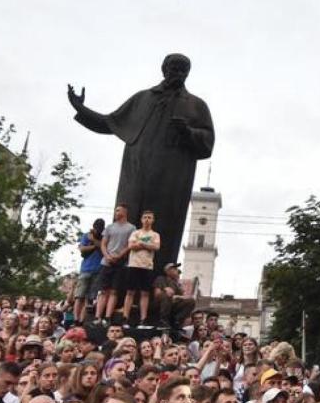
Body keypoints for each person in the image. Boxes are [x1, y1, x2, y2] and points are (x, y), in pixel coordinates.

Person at [67, 53, 215, 272]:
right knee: (127, 221)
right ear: (164, 69)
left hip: (172, 176)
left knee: (165, 226)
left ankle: (158, 278)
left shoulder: (196, 105)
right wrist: (80, 108)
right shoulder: (143, 99)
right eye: (174, 68)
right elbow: (110, 123)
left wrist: (187, 132)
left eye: (183, 70)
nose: (178, 73)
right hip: (136, 172)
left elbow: (207, 142)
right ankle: (116, 278)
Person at [94, 204, 138, 326]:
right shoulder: (109, 227)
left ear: (125, 212)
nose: (116, 212)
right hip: (106, 262)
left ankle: (108, 317)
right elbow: (103, 244)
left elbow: (130, 245)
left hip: (120, 262)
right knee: (103, 291)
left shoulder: (131, 228)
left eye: (118, 210)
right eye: (115, 210)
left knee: (114, 291)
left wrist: (119, 256)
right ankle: (98, 317)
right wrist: (107, 255)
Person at [123, 210, 162, 327]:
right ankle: (125, 317)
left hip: (147, 266)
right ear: (141, 219)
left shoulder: (155, 235)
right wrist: (146, 245)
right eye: (145, 217)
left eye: (149, 217)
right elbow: (131, 246)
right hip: (133, 265)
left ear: (153, 220)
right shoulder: (135, 233)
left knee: (145, 293)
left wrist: (142, 244)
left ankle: (143, 319)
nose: (147, 220)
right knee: (130, 292)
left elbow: (156, 247)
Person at [74, 218, 106, 324]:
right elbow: (82, 249)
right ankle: (76, 319)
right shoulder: (86, 235)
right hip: (86, 269)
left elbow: (104, 249)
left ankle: (83, 320)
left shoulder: (104, 237)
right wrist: (94, 245)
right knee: (79, 296)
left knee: (90, 298)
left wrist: (94, 241)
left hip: (98, 269)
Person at [154, 264, 195, 331]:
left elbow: (183, 296)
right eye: (174, 268)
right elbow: (156, 294)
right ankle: (163, 321)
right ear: (168, 271)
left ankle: (177, 320)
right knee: (167, 295)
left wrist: (177, 295)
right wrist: (165, 290)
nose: (176, 270)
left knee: (191, 301)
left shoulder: (176, 283)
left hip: (173, 304)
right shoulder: (161, 279)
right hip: (161, 304)